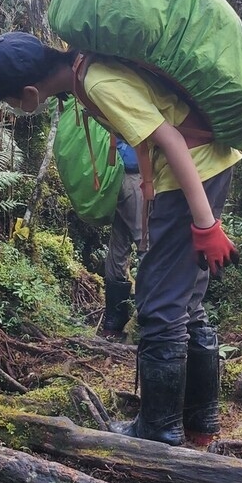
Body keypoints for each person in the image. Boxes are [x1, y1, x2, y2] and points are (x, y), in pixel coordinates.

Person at [0, 31, 240, 447]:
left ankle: (160, 431)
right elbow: (149, 131)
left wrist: (205, 225)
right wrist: (148, 184)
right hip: (204, 167)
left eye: (6, 100)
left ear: (28, 93)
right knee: (184, 301)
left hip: (194, 172)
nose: (9, 107)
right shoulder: (86, 71)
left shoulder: (96, 82)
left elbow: (168, 137)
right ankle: (199, 426)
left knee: (159, 305)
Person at [102, 140, 144, 338]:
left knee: (118, 246)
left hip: (111, 177)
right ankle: (147, 315)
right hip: (133, 178)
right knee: (145, 243)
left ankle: (114, 321)